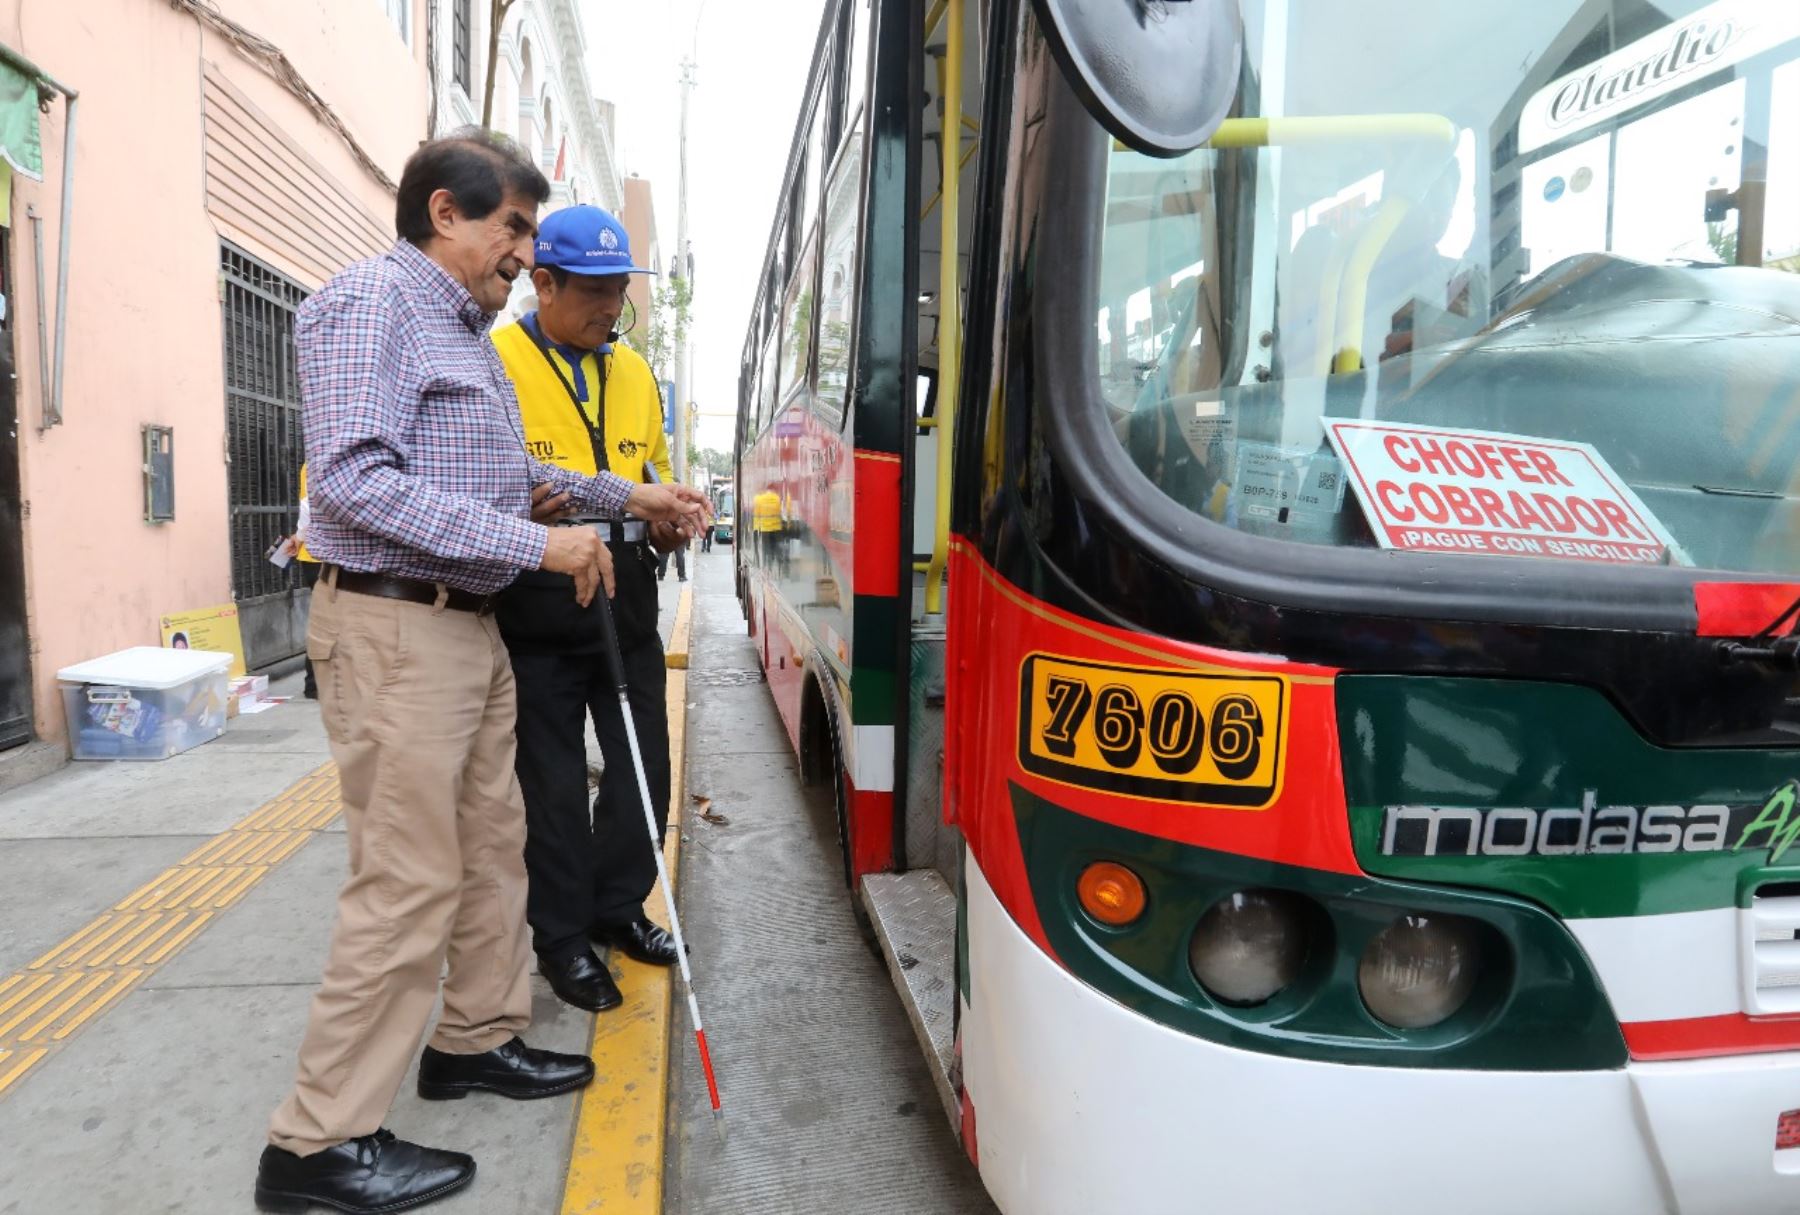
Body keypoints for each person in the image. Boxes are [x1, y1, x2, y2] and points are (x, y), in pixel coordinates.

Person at [254, 131, 708, 1215]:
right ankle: (318, 1144)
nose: (523, 252)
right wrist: (537, 549)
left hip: (463, 630)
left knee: (493, 852)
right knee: (404, 880)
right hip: (396, 629)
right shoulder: (377, 305)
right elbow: (355, 489)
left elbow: (513, 479)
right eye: (513, 228)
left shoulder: (458, 329)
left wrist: (623, 497)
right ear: (446, 213)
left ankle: (473, 1040)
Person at [489, 205, 691, 1014]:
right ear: (543, 281)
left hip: (628, 588)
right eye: (598, 292)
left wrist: (671, 516)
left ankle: (620, 907)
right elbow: (498, 483)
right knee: (555, 785)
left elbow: (655, 469)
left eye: (621, 292)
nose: (613, 308)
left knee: (645, 762)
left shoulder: (634, 371)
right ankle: (564, 938)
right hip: (537, 592)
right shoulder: (496, 359)